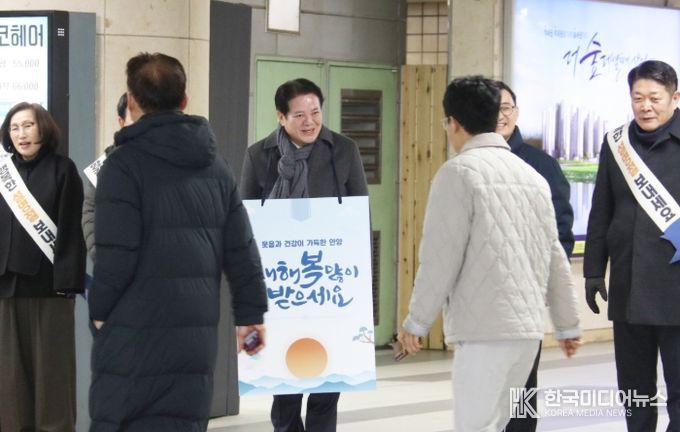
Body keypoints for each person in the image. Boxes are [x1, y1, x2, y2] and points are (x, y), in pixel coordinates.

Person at [87, 52, 268, 432]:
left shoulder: (122, 165)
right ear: (185, 99)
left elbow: (115, 254)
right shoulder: (215, 165)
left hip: (132, 329)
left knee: (124, 420)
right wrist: (250, 315)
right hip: (194, 332)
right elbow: (242, 248)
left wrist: (100, 313)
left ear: (131, 101)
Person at [397, 76, 581, 432]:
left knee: (476, 426)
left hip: (483, 331)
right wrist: (567, 324)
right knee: (502, 424)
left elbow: (440, 259)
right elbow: (555, 257)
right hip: (527, 334)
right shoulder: (532, 177)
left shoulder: (457, 173)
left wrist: (416, 322)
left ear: (454, 123)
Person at [240, 77, 368, 432]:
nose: (310, 122)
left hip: (331, 284)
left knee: (329, 379)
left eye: (315, 112)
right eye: (299, 115)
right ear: (281, 117)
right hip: (282, 287)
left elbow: (360, 216)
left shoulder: (343, 150)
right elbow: (244, 224)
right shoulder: (259, 156)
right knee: (284, 382)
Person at [584, 59, 680, 432]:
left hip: (675, 289)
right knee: (635, 391)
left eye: (654, 98)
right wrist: (594, 269)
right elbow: (601, 210)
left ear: (675, 97)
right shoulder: (616, 143)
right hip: (629, 289)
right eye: (638, 98)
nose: (645, 106)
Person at [0, 102, 86, 431]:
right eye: (14, 128)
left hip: (51, 288)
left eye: (28, 125)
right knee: (10, 378)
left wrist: (68, 283)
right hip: (6, 288)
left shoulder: (63, 169)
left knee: (53, 374)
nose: (21, 134)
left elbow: (71, 230)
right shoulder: (4, 174)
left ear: (43, 128)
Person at [495, 80, 575, 432]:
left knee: (521, 389)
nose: (499, 115)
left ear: (516, 111)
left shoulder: (542, 165)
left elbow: (561, 231)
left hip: (522, 298)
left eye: (505, 107)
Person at [82, 92, 133, 261]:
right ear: (121, 122)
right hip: (115, 263)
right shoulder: (105, 163)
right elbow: (90, 211)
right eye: (134, 117)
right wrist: (99, 254)